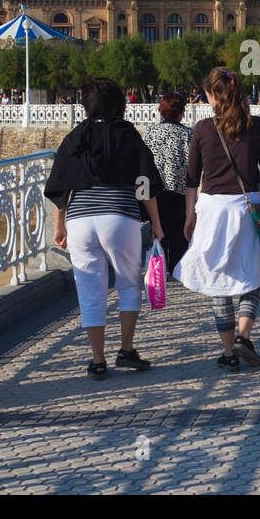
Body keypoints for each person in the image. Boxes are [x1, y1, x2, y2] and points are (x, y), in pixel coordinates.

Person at [44, 78, 165, 379]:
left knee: (91, 292)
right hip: (120, 217)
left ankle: (98, 360)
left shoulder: (75, 137)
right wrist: (158, 226)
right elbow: (144, 185)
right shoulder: (128, 135)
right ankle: (126, 350)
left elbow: (62, 187)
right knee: (128, 285)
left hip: (81, 221)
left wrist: (60, 227)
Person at [178, 67, 260, 370]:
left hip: (211, 210)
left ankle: (228, 353)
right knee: (250, 275)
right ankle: (244, 337)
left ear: (210, 95)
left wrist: (189, 215)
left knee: (217, 279)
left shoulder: (202, 129)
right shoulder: (259, 126)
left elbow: (191, 177)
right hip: (247, 206)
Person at [141, 92, 192, 275]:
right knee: (179, 233)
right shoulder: (187, 134)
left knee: (157, 230)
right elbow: (192, 167)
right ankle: (177, 270)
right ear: (181, 112)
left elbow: (141, 166)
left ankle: (158, 271)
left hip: (154, 193)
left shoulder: (149, 133)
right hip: (179, 192)